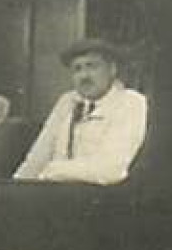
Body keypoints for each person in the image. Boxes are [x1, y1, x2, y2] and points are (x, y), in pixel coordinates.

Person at [13, 38, 147, 184]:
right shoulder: (68, 101)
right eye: (77, 69)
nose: (84, 76)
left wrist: (51, 170)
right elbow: (37, 158)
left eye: (92, 66)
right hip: (58, 196)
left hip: (104, 199)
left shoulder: (130, 101)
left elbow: (110, 170)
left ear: (112, 69)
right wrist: (14, 192)